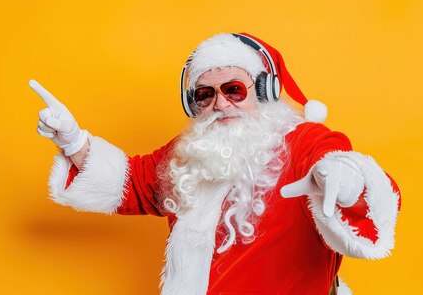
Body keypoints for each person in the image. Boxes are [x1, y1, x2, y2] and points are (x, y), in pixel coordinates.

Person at [29, 33, 401, 295]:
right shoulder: (192, 151)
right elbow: (135, 183)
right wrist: (74, 141)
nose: (220, 104)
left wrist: (345, 179)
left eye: (234, 90)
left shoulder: (305, 141)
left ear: (264, 89)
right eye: (206, 94)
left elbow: (350, 171)